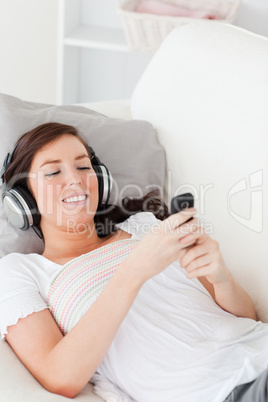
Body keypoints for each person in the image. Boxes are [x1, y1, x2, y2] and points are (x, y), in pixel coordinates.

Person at [0, 122, 268, 402]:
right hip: (223, 392)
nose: (76, 180)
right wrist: (134, 271)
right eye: (53, 172)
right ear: (24, 199)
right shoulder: (21, 272)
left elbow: (246, 318)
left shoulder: (145, 227)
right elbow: (59, 378)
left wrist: (220, 276)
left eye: (83, 167)